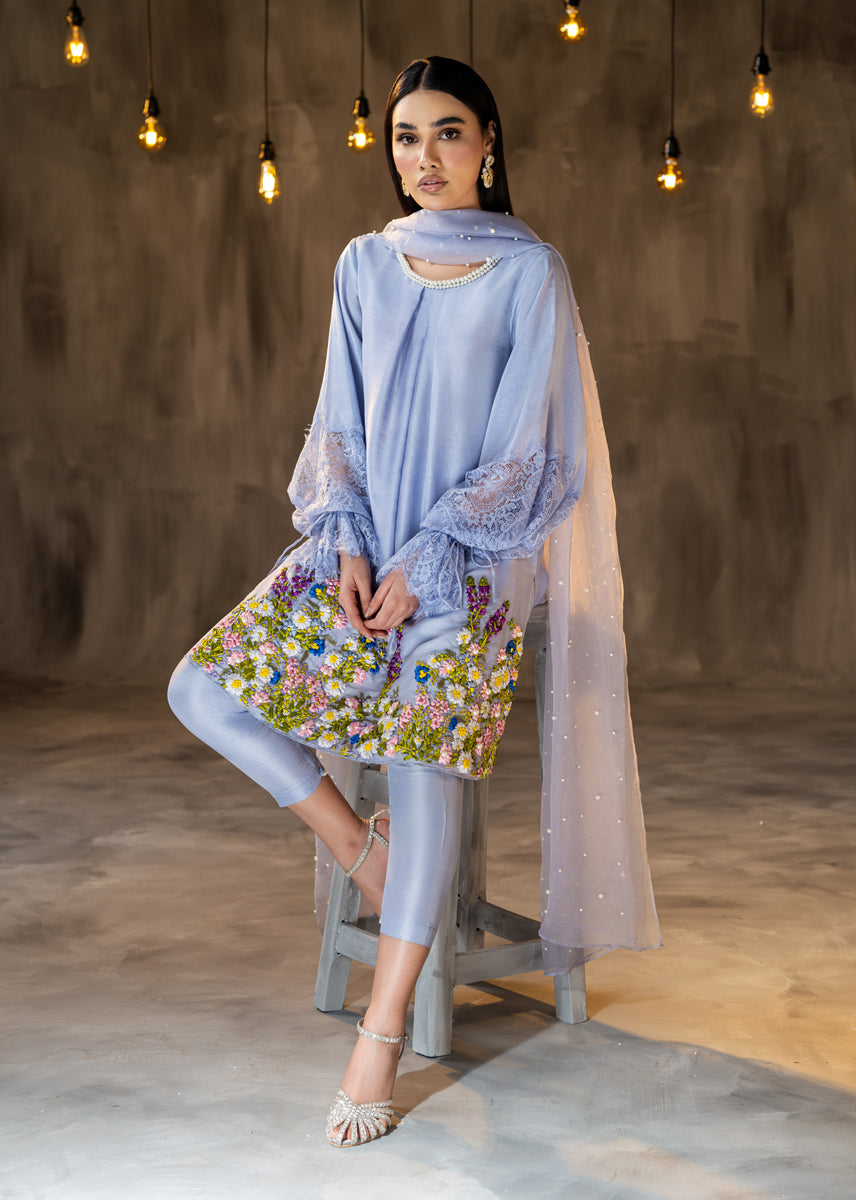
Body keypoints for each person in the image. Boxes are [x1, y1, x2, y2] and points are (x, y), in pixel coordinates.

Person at [168, 55, 660, 1148]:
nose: (424, 157)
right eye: (405, 137)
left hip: (469, 561)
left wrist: (434, 551)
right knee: (200, 691)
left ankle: (381, 1034)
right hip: (358, 546)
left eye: (446, 133)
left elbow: (526, 448)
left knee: (425, 764)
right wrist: (345, 536)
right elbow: (337, 421)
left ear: (488, 141)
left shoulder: (531, 272)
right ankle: (364, 851)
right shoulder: (363, 263)